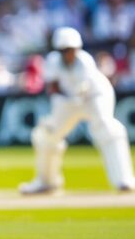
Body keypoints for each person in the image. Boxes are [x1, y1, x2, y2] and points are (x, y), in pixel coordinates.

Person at [19, 27, 135, 195]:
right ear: (58, 51)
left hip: (94, 97)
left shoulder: (85, 61)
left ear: (78, 49)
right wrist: (59, 110)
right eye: (65, 50)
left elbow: (82, 91)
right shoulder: (52, 62)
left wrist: (68, 100)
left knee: (107, 128)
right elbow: (53, 88)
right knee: (46, 135)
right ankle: (47, 182)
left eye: (72, 50)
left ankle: (124, 179)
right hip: (68, 100)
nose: (69, 54)